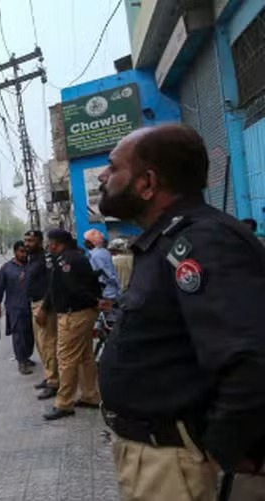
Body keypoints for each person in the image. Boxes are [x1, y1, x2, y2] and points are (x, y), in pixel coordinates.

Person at [96, 124, 265, 500]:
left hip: (176, 462)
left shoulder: (201, 241)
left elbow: (251, 358)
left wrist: (218, 451)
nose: (103, 177)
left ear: (147, 183)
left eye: (112, 167)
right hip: (158, 456)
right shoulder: (165, 243)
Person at [38, 229, 101, 421]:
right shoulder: (74, 257)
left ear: (57, 243)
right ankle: (91, 396)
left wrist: (94, 301)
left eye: (50, 243)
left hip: (74, 315)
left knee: (65, 358)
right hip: (82, 312)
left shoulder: (66, 261)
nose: (48, 246)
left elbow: (74, 288)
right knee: (85, 357)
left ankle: (64, 403)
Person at [24, 230, 58, 398]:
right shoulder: (32, 259)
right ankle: (48, 376)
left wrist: (44, 308)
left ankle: (53, 382)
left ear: (39, 241)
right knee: (40, 344)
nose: (27, 244)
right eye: (26, 240)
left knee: (48, 344)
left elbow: (52, 284)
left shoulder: (46, 259)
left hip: (45, 306)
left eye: (31, 240)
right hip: (34, 304)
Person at [0, 241, 34, 375]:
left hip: (31, 307)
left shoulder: (30, 266)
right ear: (15, 252)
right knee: (19, 335)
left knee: (30, 335)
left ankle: (27, 357)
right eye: (21, 251)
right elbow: (0, 288)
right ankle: (21, 361)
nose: (24, 254)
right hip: (14, 308)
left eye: (26, 252)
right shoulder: (6, 268)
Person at [83, 228, 120, 303]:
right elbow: (109, 273)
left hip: (104, 291)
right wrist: (119, 287)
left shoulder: (93, 254)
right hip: (110, 292)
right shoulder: (100, 254)